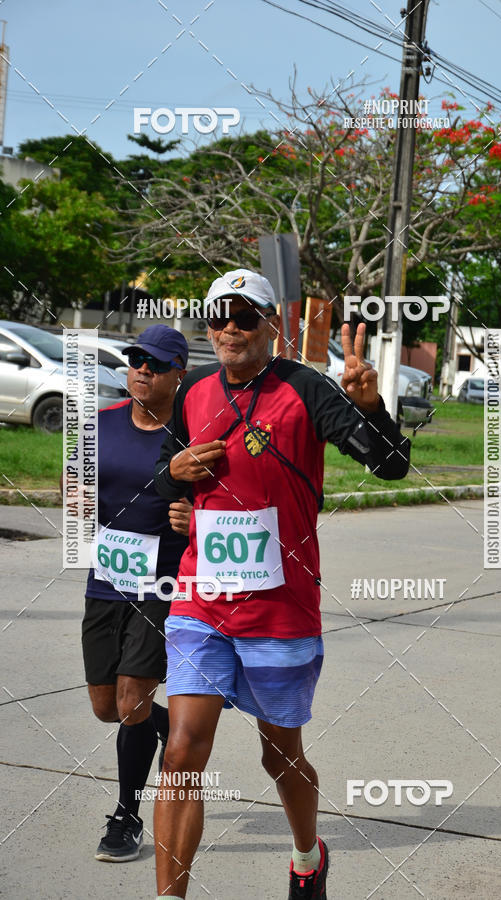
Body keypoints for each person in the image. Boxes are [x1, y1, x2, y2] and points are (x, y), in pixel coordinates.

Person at [152, 268, 411, 899]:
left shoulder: (306, 390)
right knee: (182, 750)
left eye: (246, 317)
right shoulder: (192, 391)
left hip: (281, 606)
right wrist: (173, 477)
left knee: (280, 756)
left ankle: (306, 855)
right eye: (219, 317)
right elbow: (170, 475)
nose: (231, 330)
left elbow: (391, 465)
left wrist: (369, 406)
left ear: (274, 325)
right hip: (201, 599)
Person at [78, 324, 192, 862]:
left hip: (161, 584)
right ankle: (169, 724)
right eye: (136, 358)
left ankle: (125, 819)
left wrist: (193, 519)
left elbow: (222, 506)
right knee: (108, 708)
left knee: (129, 701)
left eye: (155, 361)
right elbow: (74, 495)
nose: (142, 367)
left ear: (178, 373)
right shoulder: (100, 425)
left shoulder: (192, 437)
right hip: (105, 580)